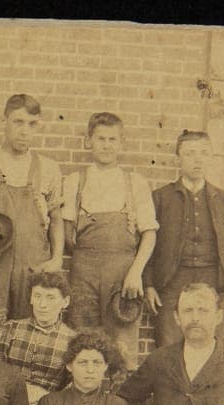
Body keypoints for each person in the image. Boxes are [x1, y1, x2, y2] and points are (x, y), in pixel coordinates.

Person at [62, 112, 158, 372]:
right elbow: (67, 234)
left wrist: (135, 273)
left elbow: (149, 233)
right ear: (88, 141)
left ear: (122, 143)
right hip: (84, 272)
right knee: (82, 341)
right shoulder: (75, 182)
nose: (106, 145)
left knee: (122, 347)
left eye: (112, 139)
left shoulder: (134, 183)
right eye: (101, 138)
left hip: (123, 273)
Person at [0, 94, 65, 320]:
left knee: (29, 329)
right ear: (4, 121)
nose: (25, 131)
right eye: (18, 122)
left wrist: (57, 258)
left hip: (32, 267)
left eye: (32, 124)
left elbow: (56, 219)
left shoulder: (48, 169)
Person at [144, 131, 224, 349]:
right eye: (189, 154)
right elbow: (149, 244)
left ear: (210, 158)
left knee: (210, 345)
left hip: (212, 279)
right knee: (168, 345)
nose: (197, 159)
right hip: (171, 281)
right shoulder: (161, 197)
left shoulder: (223, 198)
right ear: (178, 158)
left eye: (203, 153)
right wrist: (149, 284)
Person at [0, 271, 78, 405]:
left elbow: (73, 386)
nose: (42, 304)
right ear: (31, 299)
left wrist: (48, 400)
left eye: (50, 297)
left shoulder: (72, 340)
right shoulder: (10, 328)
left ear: (65, 302)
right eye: (37, 296)